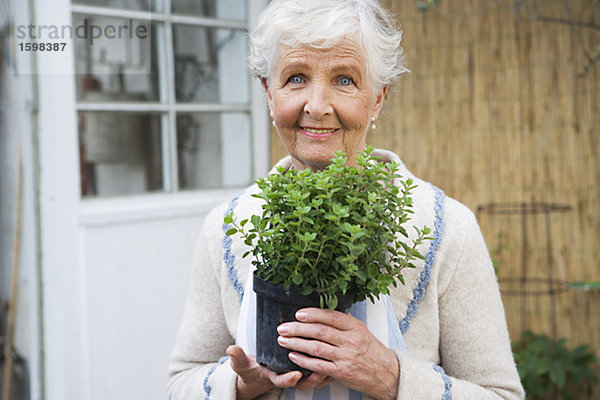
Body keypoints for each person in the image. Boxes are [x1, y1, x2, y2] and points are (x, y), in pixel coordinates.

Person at [168, 0, 525, 399]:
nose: (317, 107)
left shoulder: (446, 229)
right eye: (296, 78)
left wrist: (392, 378)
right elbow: (180, 381)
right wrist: (238, 384)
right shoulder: (226, 226)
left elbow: (501, 395)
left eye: (344, 80)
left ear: (377, 99)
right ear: (270, 93)